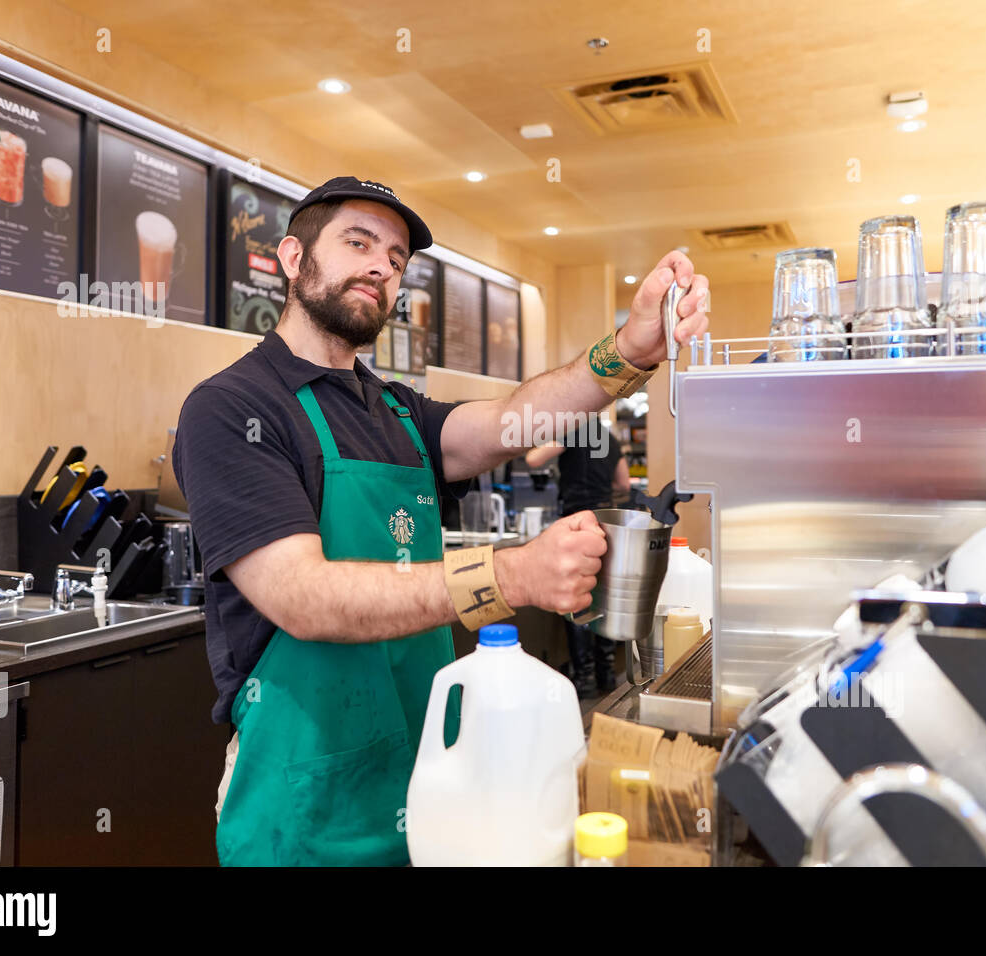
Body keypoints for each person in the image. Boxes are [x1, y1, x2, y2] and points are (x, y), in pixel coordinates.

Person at [172, 176, 710, 866]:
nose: (381, 267)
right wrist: (512, 573)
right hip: (305, 802)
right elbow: (303, 598)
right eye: (358, 243)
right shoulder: (231, 408)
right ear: (291, 258)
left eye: (396, 260)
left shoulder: (396, 409)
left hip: (427, 773)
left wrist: (630, 350)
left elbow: (521, 419)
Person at [525, 418, 630, 698]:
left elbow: (533, 459)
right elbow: (624, 484)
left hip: (576, 523)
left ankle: (584, 678)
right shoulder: (609, 439)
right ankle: (607, 673)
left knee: (578, 597)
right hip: (607, 524)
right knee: (604, 597)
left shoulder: (572, 431)